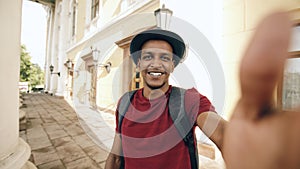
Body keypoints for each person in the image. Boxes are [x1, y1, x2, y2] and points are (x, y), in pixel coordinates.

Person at [105, 26, 227, 169]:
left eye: (164, 58)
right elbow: (115, 158)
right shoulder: (125, 102)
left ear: (172, 65)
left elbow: (225, 136)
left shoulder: (189, 101)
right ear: (138, 65)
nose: (156, 64)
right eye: (148, 57)